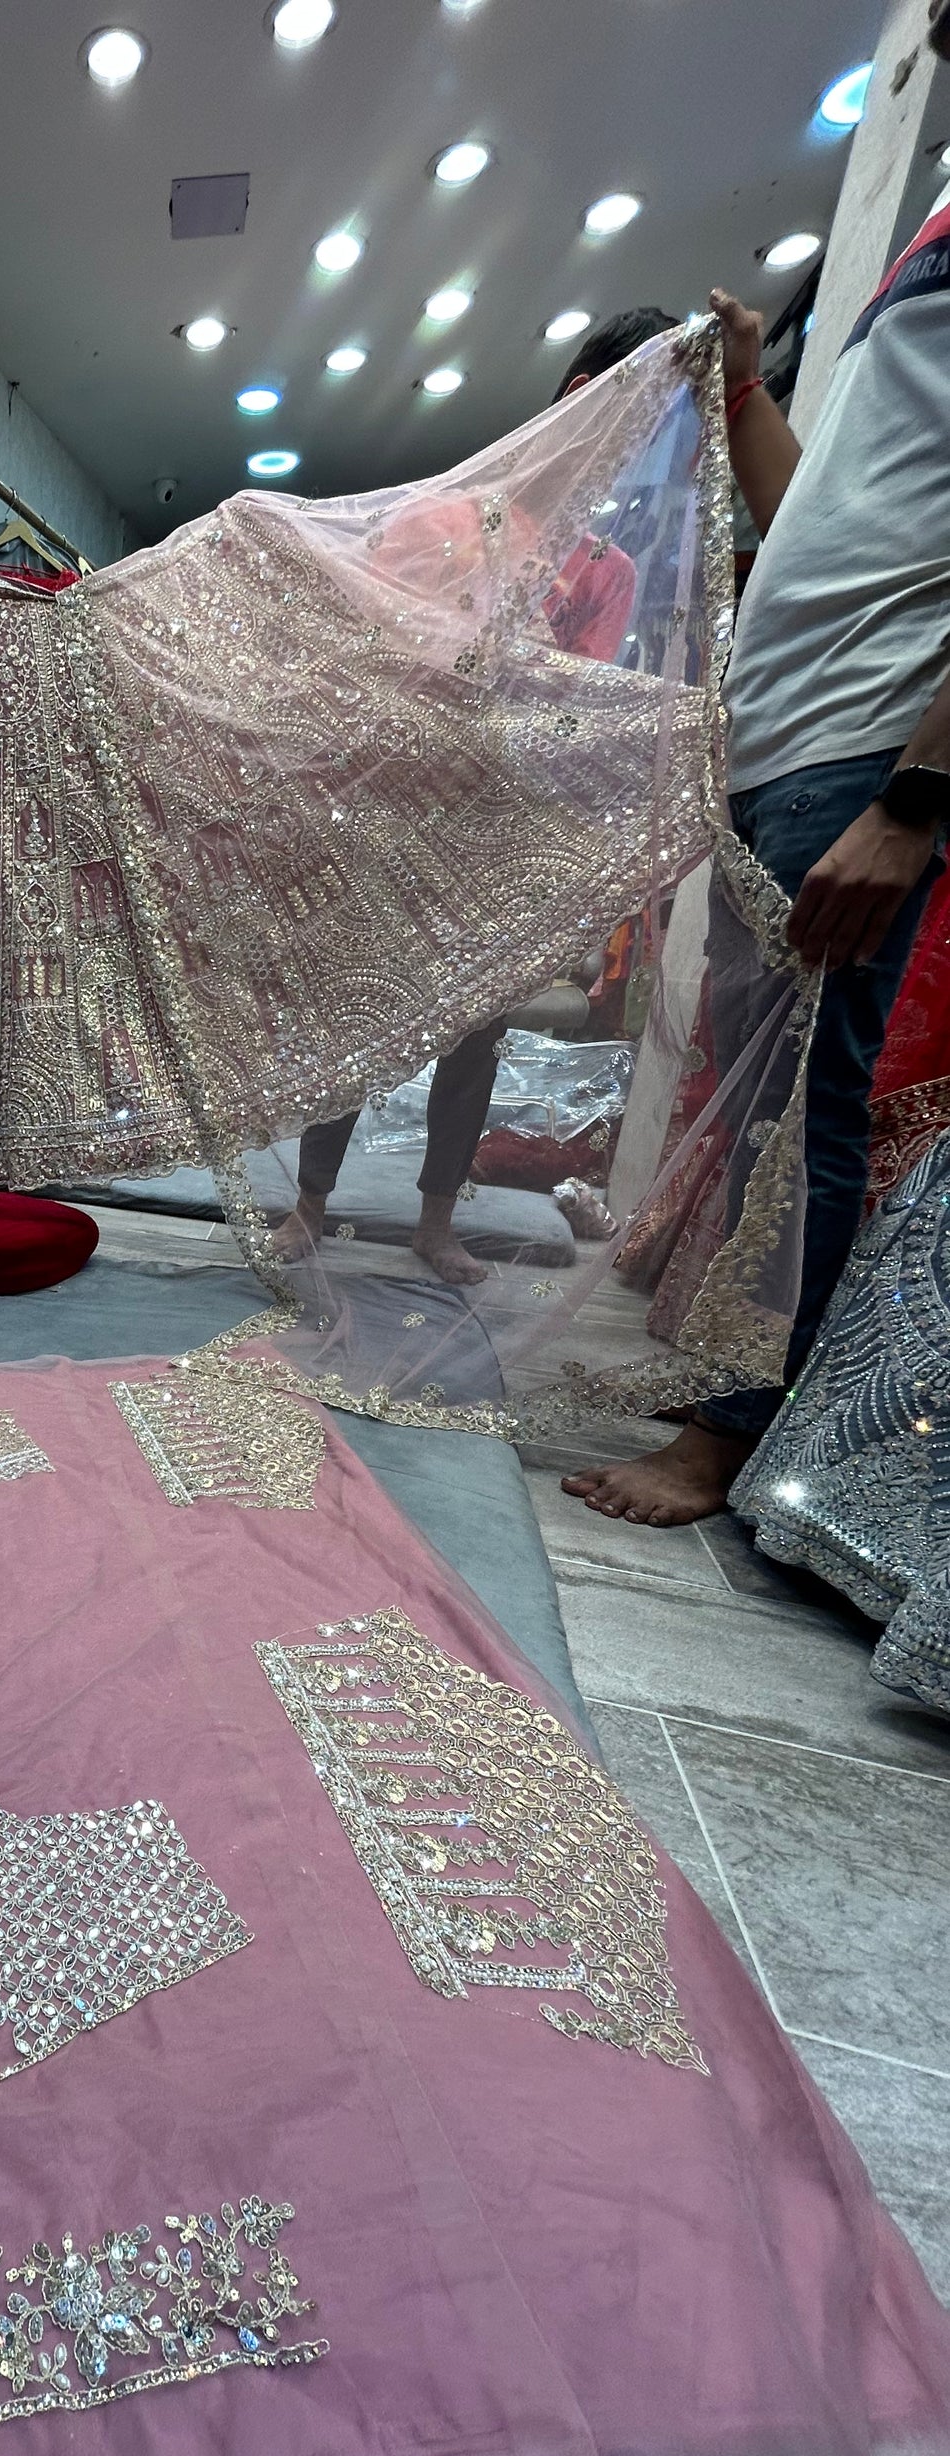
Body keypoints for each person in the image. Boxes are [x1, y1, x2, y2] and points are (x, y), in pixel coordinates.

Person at [568, 37, 950, 1525]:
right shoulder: (930, 224)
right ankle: (718, 1394)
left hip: (863, 747)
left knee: (801, 1113)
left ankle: (727, 1439)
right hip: (786, 744)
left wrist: (914, 798)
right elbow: (809, 519)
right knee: (753, 1112)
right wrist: (742, 387)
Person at [273, 307, 677, 1285]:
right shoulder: (441, 519)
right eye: (632, 419)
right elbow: (369, 658)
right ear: (581, 399)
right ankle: (308, 1203)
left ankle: (435, 1219)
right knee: (359, 1009)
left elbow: (576, 700)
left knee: (477, 1032)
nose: (633, 451)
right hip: (398, 811)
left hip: (500, 825)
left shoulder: (607, 571)